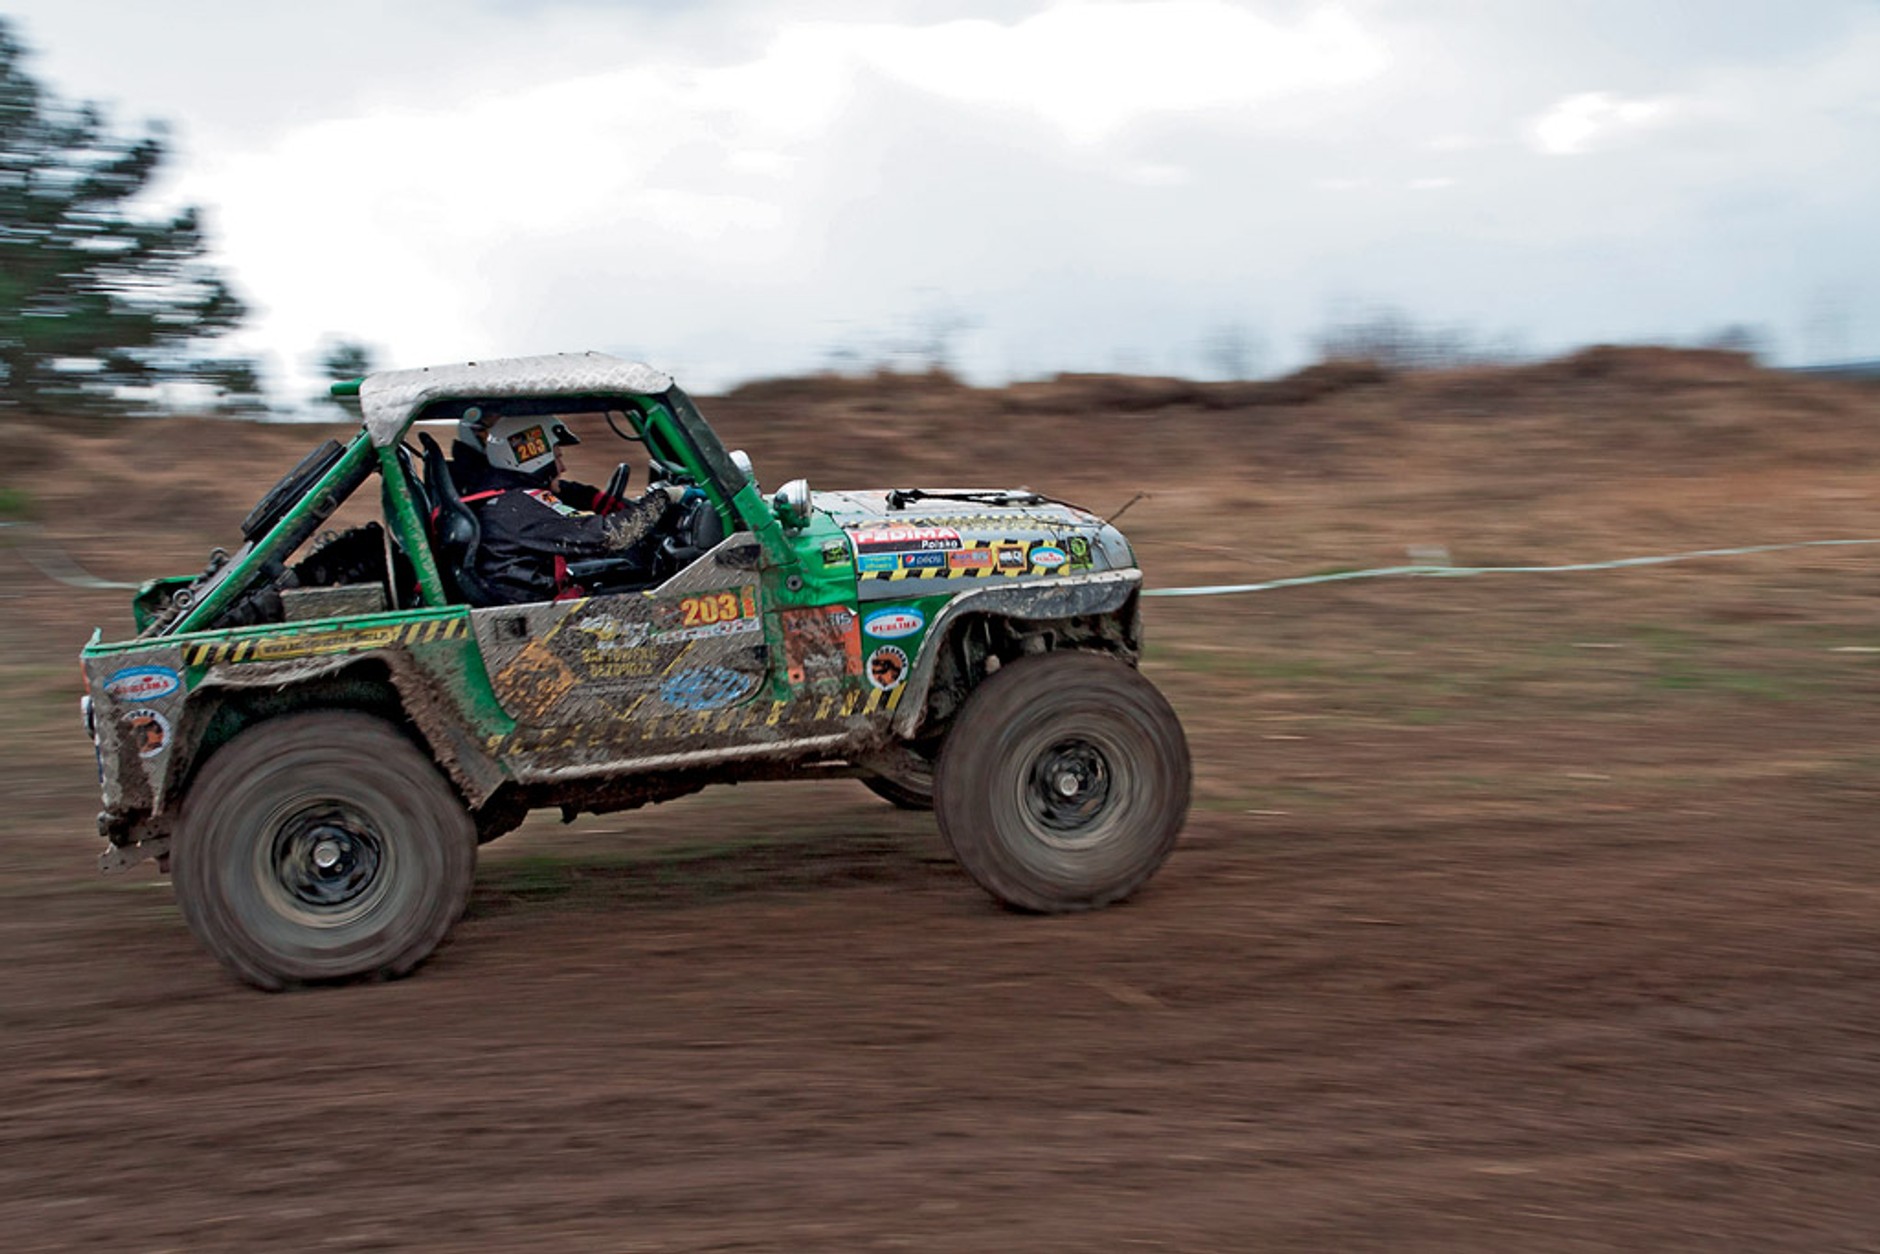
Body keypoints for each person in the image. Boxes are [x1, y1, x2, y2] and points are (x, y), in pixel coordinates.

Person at [465, 413, 684, 604]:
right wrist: (664, 498)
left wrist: (596, 499)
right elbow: (616, 535)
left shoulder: (503, 496)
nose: (563, 467)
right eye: (557, 457)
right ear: (534, 457)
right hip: (539, 613)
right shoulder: (522, 508)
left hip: (528, 597)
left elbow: (564, 491)